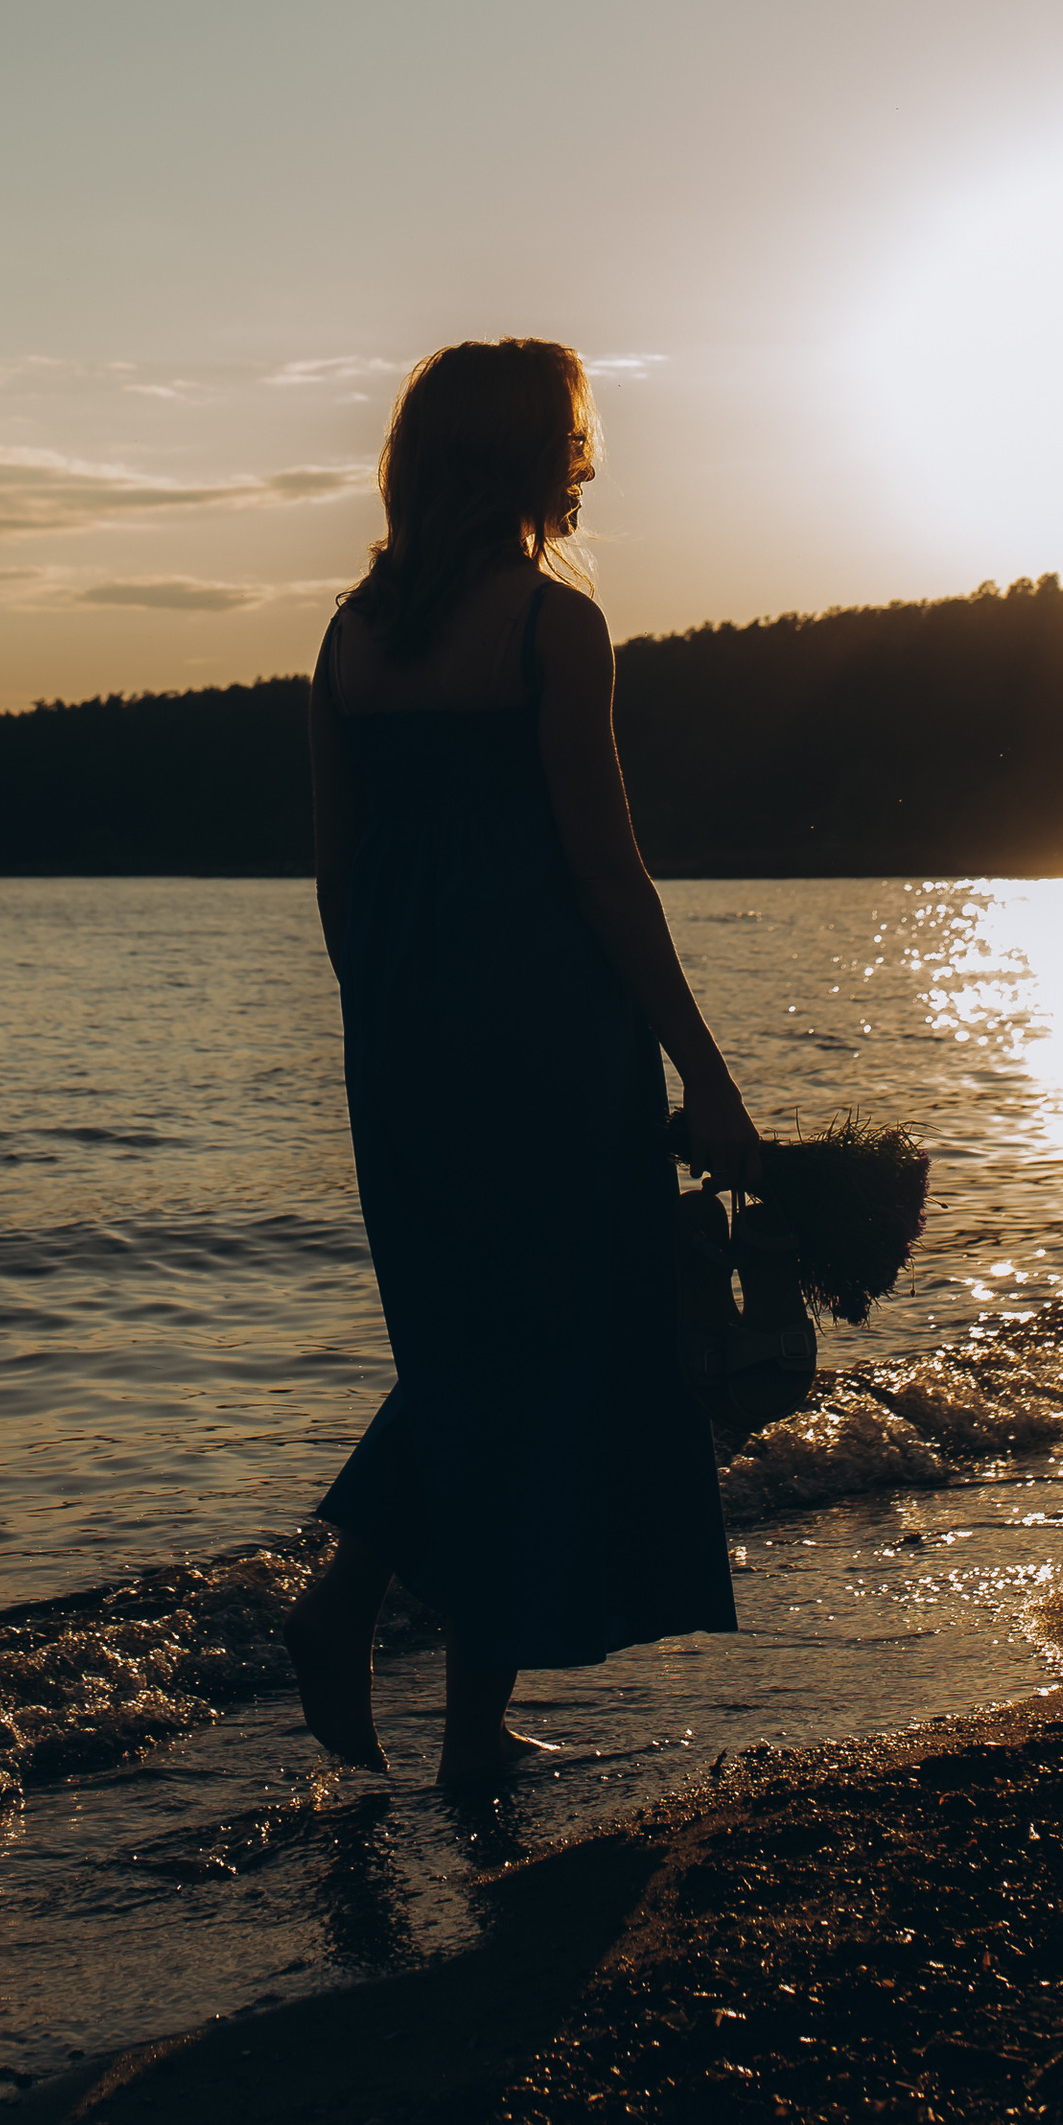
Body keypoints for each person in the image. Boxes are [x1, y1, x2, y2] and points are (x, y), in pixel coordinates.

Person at [290, 337, 759, 1786]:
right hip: (551, 1036)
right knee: (542, 1347)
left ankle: (450, 1707)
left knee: (473, 1345)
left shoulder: (349, 638)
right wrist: (705, 1072)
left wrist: (389, 1022)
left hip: (404, 1042)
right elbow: (605, 869)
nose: (582, 461)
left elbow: (337, 875)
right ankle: (370, 1628)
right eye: (568, 438)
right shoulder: (554, 629)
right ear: (525, 460)